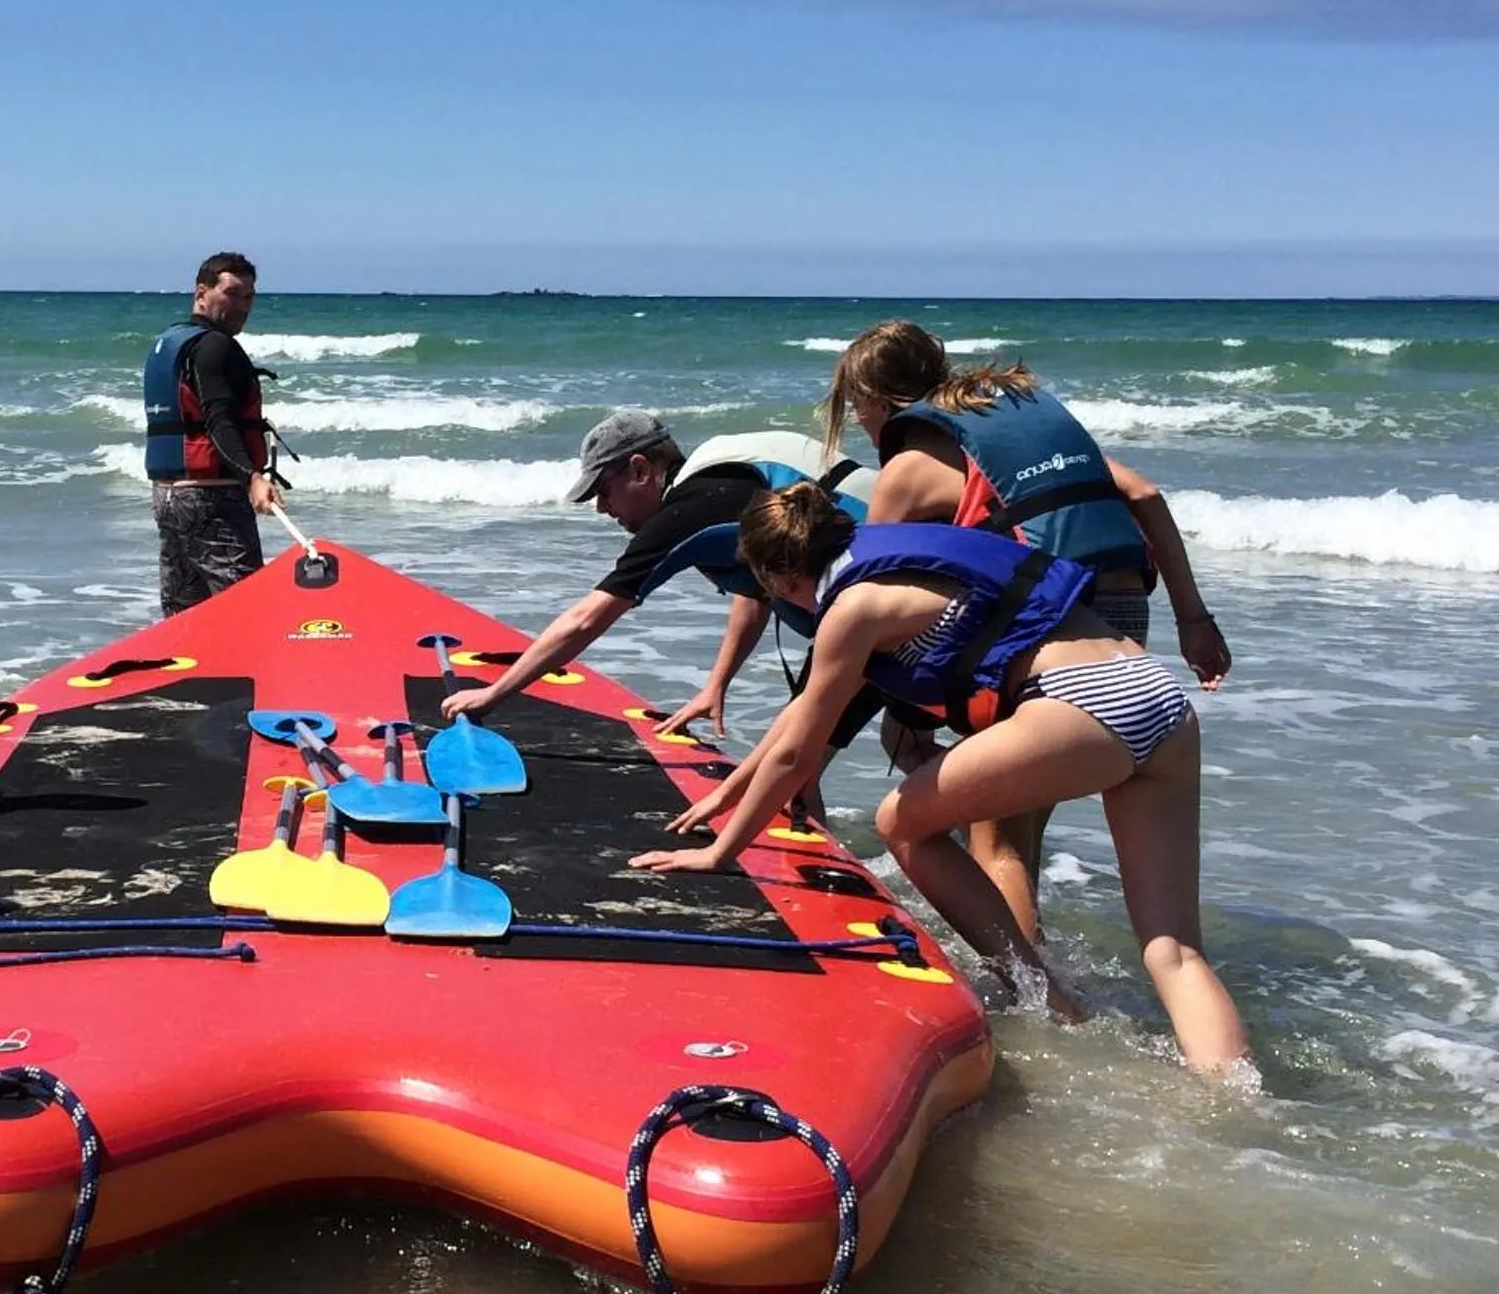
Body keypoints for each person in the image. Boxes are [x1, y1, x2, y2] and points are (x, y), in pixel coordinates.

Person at [632, 483, 1251, 1080]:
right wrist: (732, 786)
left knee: (901, 823)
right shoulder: (901, 556)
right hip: (1155, 691)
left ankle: (1048, 999)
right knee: (1173, 950)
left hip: (1079, 702)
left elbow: (798, 755)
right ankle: (1237, 1104)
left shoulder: (851, 608)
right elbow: (801, 716)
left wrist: (721, 852)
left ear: (777, 577)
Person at [821, 320, 1231, 937]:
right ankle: (1028, 956)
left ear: (877, 399)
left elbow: (872, 604)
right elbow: (1142, 494)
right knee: (1015, 818)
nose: (861, 422)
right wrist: (1194, 620)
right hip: (1120, 622)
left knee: (997, 838)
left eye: (857, 408)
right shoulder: (1001, 429)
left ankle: (1028, 998)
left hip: (1044, 631)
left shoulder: (907, 469)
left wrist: (815, 739)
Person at [440, 422, 882, 807]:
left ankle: (815, 893)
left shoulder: (688, 513)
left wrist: (493, 695)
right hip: (912, 610)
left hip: (875, 624)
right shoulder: (723, 490)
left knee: (789, 775)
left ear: (640, 468)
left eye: (604, 491)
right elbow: (755, 591)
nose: (601, 508)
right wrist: (717, 683)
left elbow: (588, 618)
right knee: (909, 749)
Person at [143, 251, 280, 614]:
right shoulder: (215, 347)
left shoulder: (171, 343)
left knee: (186, 615)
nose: (242, 306)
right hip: (212, 500)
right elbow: (219, 419)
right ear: (201, 292)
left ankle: (189, 671)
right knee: (246, 611)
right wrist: (251, 477)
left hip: (169, 498)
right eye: (232, 294)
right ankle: (250, 670)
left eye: (249, 297)